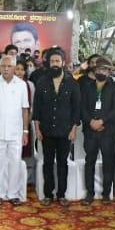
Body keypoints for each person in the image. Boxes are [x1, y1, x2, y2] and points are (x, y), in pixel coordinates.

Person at [32, 48, 81, 205]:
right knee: (47, 163)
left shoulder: (72, 83)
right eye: (52, 61)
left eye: (57, 61)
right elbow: (37, 108)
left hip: (65, 131)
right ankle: (48, 194)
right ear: (48, 63)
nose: (54, 64)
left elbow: (76, 109)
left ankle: (61, 194)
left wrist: (73, 130)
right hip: (46, 130)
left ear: (63, 63)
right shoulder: (41, 82)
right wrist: (37, 130)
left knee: (62, 163)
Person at [0, 55, 30, 205]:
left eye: (9, 66)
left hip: (15, 133)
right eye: (3, 66)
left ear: (15, 68)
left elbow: (25, 110)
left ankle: (14, 193)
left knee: (15, 163)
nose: (6, 69)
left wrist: (25, 131)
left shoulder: (21, 85)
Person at [81, 60, 115, 205]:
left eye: (105, 70)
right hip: (90, 131)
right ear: (94, 70)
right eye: (99, 69)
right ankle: (89, 194)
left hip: (108, 131)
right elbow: (82, 108)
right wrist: (90, 121)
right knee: (89, 162)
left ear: (109, 71)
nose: (102, 72)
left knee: (108, 163)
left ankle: (106, 194)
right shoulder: (87, 87)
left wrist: (102, 122)